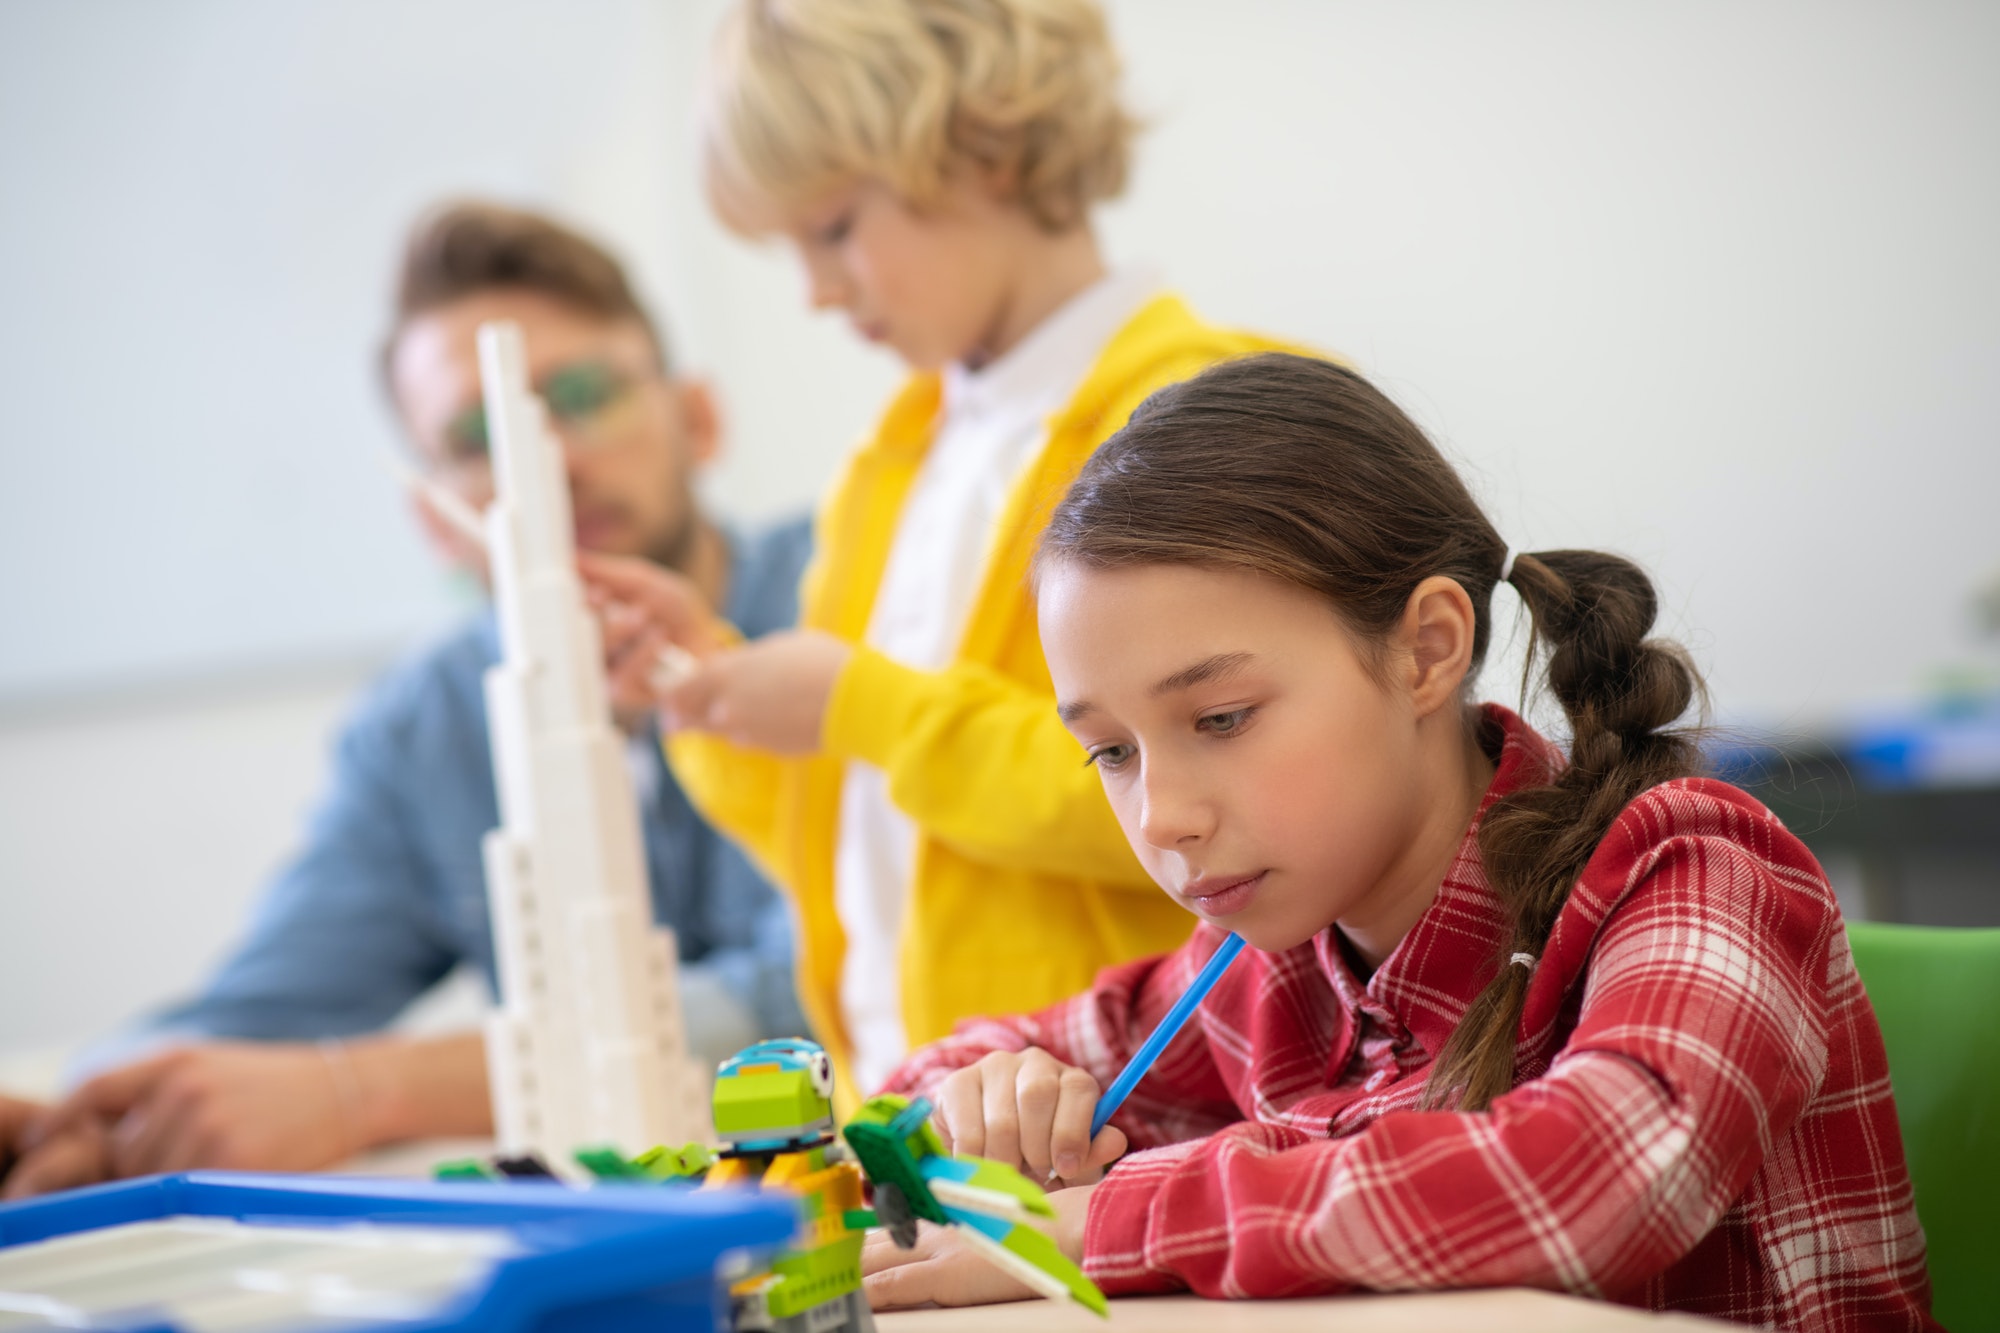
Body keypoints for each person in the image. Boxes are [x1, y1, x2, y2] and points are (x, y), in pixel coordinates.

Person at [860, 354, 1935, 1329]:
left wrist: (1100, 1223)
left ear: (1426, 649)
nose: (1160, 815)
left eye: (1221, 718)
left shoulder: (1687, 870)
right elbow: (913, 1093)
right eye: (1110, 751)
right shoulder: (1263, 962)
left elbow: (1583, 1184)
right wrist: (983, 1101)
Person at [582, 0, 1305, 1104]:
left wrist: (868, 707)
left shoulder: (1195, 409)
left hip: (1129, 1117)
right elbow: (863, 848)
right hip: (928, 1111)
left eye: (831, 229)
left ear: (985, 149)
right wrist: (705, 693)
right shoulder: (892, 468)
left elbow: (1214, 800)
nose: (816, 291)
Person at [8, 203, 811, 1192]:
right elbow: (267, 1002)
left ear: (696, 419)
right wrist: (90, 1112)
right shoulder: (422, 727)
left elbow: (822, 992)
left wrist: (365, 1091)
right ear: (434, 521)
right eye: (478, 439)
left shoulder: (859, 596)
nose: (548, 463)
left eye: (584, 394)